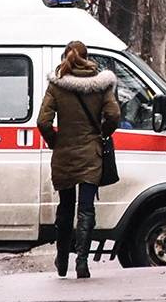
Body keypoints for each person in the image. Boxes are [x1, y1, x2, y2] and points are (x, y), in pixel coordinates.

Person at [36, 41, 121, 279]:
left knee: (65, 206)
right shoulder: (101, 85)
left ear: (66, 57)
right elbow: (114, 115)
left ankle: (62, 259)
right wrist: (102, 134)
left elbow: (43, 121)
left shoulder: (57, 85)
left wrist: (54, 141)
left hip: (64, 153)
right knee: (86, 207)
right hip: (91, 153)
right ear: (87, 58)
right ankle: (82, 263)